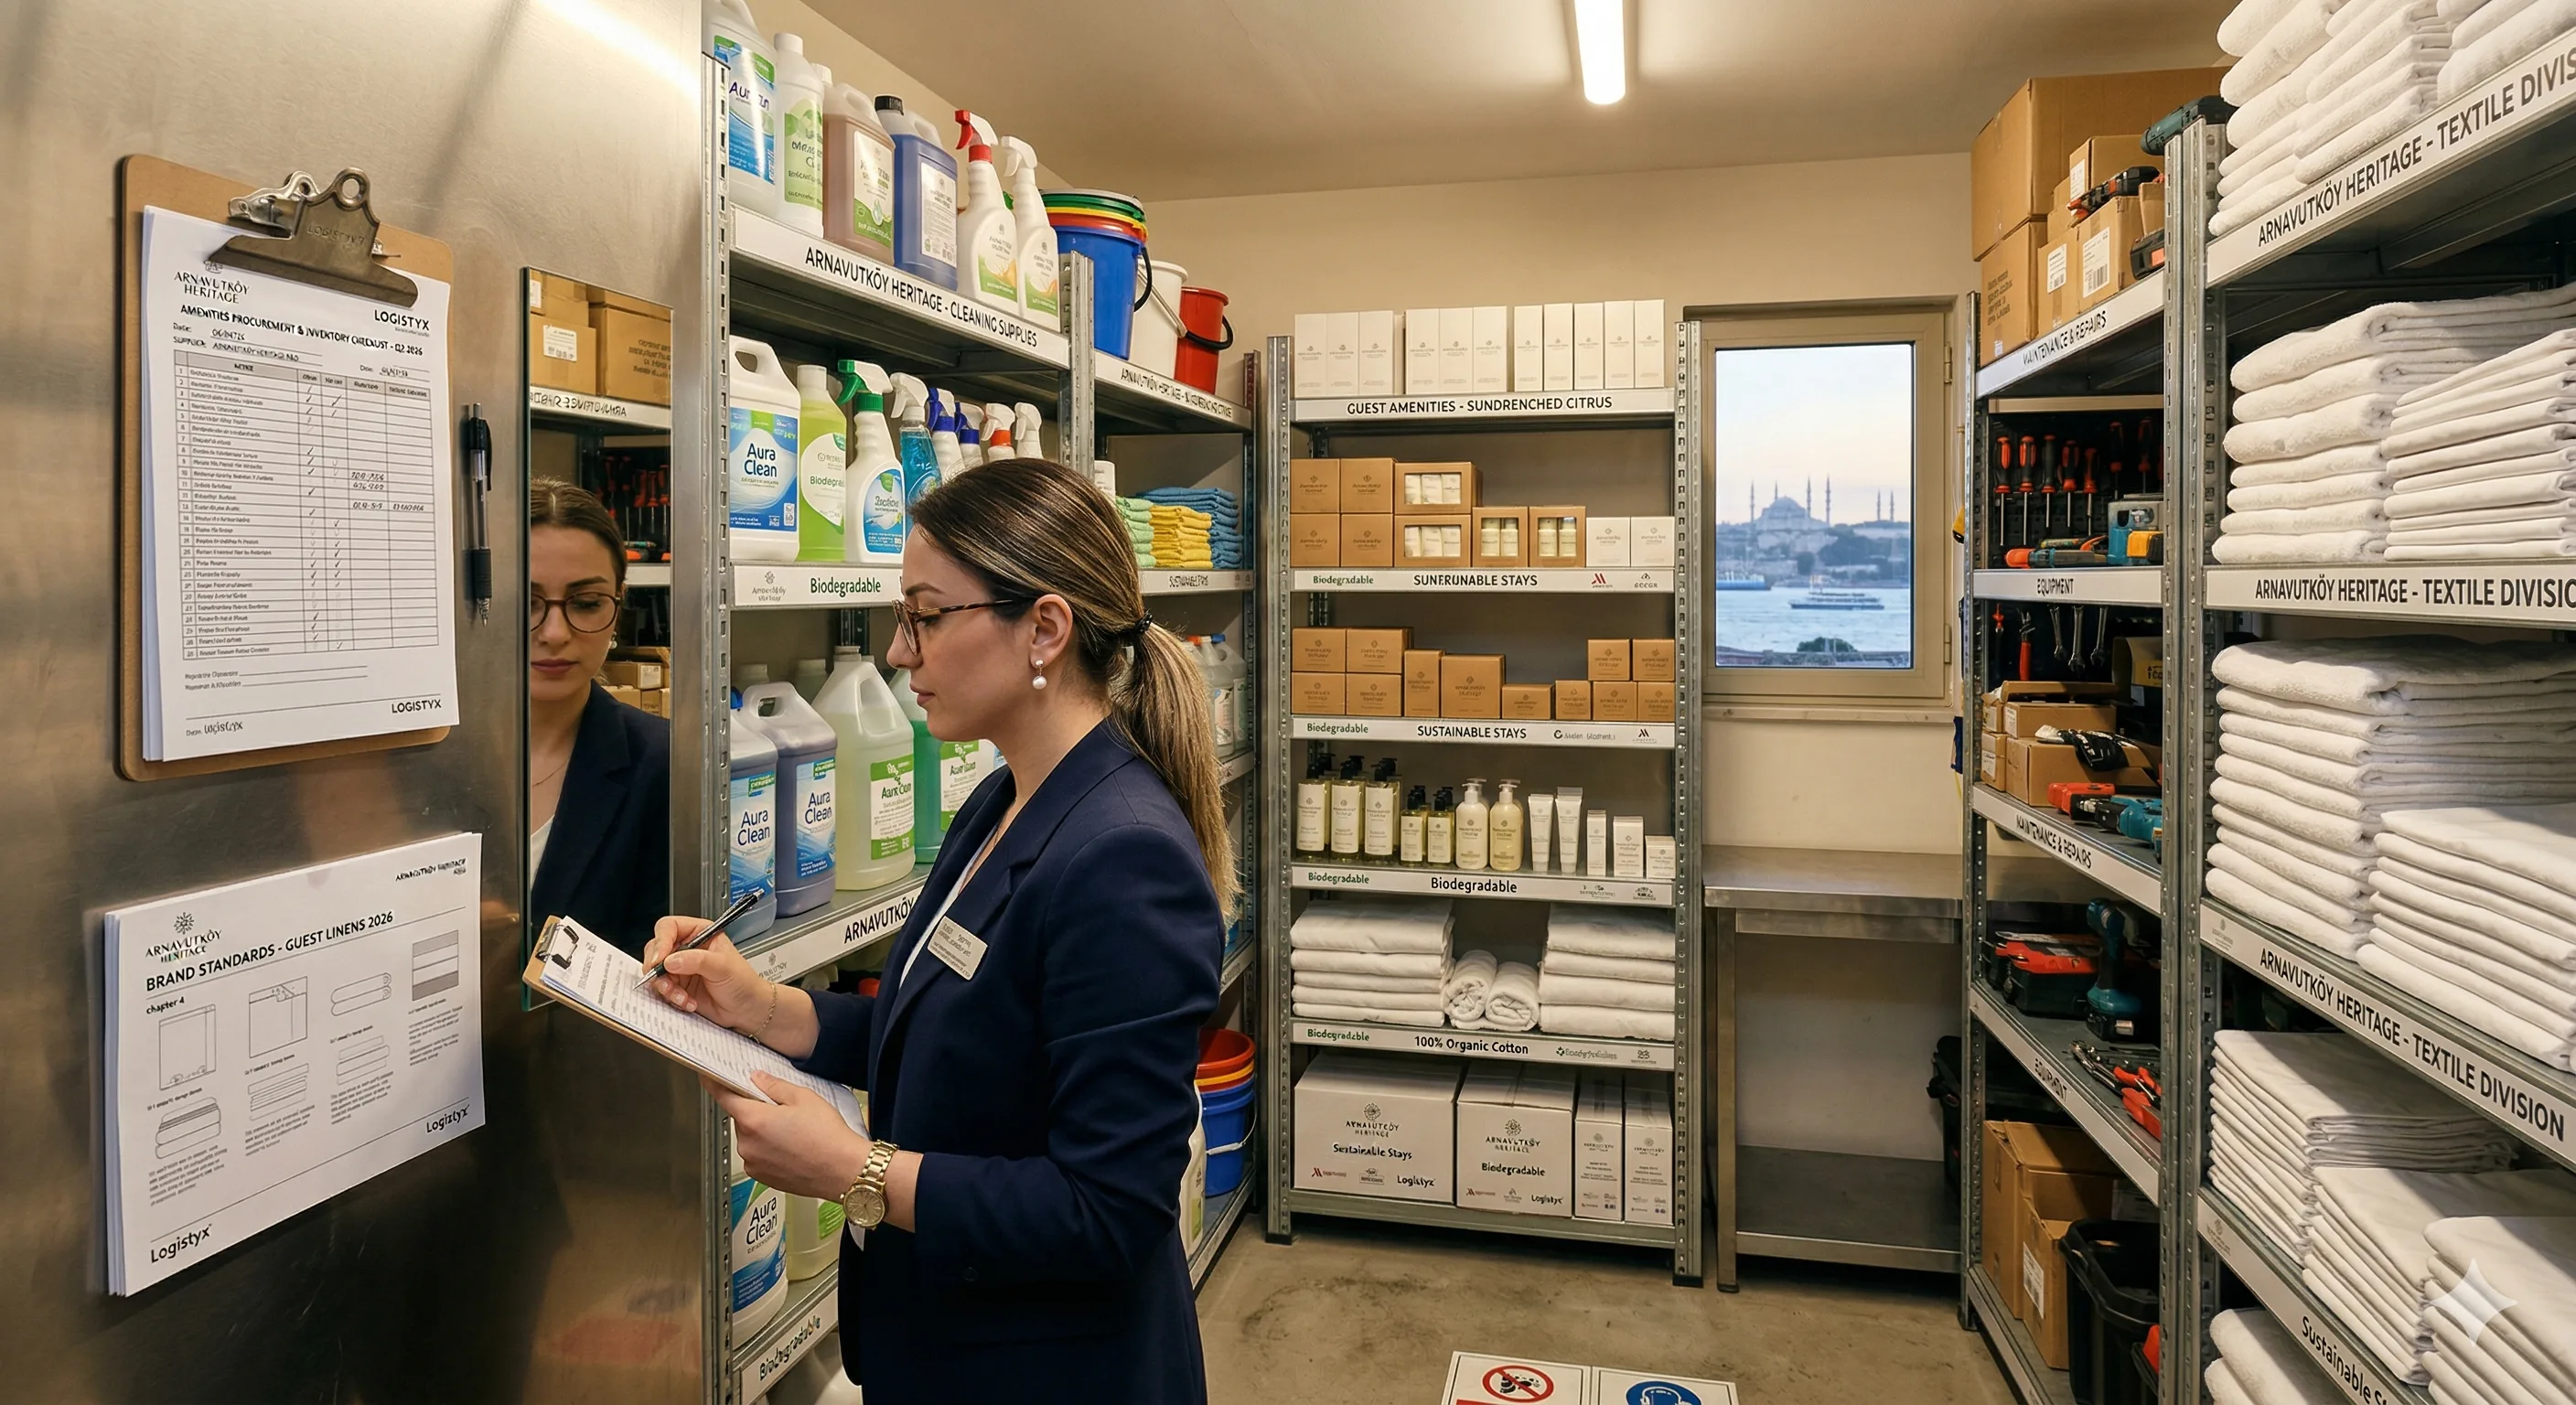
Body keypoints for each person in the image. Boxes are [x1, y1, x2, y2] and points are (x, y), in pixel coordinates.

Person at [641, 458, 1229, 1403]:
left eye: (923, 615)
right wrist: (759, 1006)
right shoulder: (1001, 797)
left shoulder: (1123, 860)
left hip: (1050, 1372)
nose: (897, 651)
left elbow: (1107, 1210)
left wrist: (856, 1170)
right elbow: (948, 1038)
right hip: (946, 1349)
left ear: (1043, 628)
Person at [527, 480, 670, 955]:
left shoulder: (662, 765)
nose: (553, 632)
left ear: (618, 605)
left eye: (586, 604)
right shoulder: (417, 762)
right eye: (525, 602)